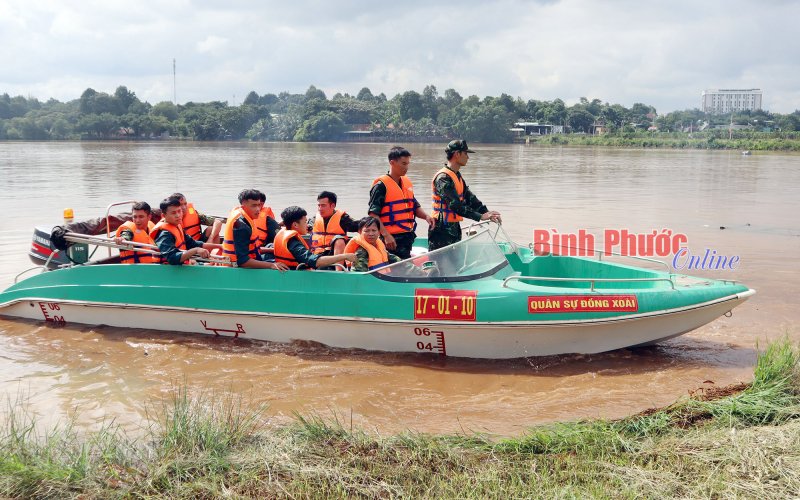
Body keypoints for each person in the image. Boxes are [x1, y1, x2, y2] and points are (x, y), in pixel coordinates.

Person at [428, 140, 502, 251]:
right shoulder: (443, 178)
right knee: (440, 261)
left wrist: (487, 213)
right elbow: (455, 205)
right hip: (441, 229)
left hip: (453, 227)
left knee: (455, 260)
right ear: (457, 154)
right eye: (465, 153)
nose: (468, 157)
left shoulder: (456, 176)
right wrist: (480, 217)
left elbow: (470, 199)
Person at [368, 146, 434, 259]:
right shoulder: (381, 186)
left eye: (408, 164)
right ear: (392, 163)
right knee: (396, 265)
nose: (406, 167)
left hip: (407, 236)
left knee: (405, 262)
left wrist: (426, 216)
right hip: (391, 239)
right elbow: (373, 214)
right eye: (403, 164)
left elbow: (414, 205)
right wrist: (386, 235)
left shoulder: (406, 183)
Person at [221, 189, 288, 270]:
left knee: (277, 252)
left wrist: (273, 250)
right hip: (237, 267)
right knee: (286, 264)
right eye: (253, 206)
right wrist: (272, 265)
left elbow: (254, 249)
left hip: (250, 260)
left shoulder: (244, 217)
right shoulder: (241, 227)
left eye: (259, 205)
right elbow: (242, 262)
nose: (258, 209)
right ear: (243, 207)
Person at [273, 206, 356, 270]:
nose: (307, 225)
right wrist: (344, 256)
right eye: (305, 222)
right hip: (297, 276)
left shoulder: (284, 233)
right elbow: (315, 261)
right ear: (295, 225)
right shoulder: (293, 243)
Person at [151, 196, 222, 265]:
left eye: (179, 211)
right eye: (173, 213)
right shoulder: (164, 234)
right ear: (163, 216)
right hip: (168, 269)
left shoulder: (176, 227)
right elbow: (172, 258)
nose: (178, 215)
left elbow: (192, 243)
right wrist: (196, 250)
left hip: (183, 265)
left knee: (213, 263)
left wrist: (219, 246)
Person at [310, 191, 360, 256]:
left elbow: (361, 226)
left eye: (323, 205)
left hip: (334, 256)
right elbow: (305, 228)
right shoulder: (314, 219)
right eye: (319, 205)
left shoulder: (343, 219)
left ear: (333, 206)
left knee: (339, 240)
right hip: (316, 256)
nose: (320, 209)